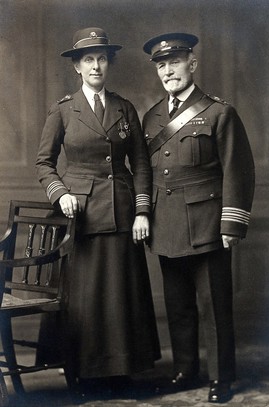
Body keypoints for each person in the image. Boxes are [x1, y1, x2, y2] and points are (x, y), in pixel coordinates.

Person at [36, 27, 160, 398]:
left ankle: (122, 370)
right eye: (88, 59)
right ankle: (86, 373)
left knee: (121, 295)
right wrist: (60, 194)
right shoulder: (62, 110)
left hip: (122, 212)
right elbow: (44, 162)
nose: (96, 65)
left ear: (109, 63)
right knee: (88, 298)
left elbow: (140, 163)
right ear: (77, 66)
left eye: (102, 58)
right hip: (82, 217)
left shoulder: (124, 108)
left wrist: (142, 212)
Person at [142, 32, 255, 403]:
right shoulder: (153, 116)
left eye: (174, 62)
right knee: (178, 306)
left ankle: (222, 377)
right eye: (161, 65)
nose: (168, 71)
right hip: (166, 223)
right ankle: (185, 370)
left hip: (207, 222)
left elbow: (237, 170)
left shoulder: (219, 112)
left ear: (192, 63)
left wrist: (231, 223)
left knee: (214, 306)